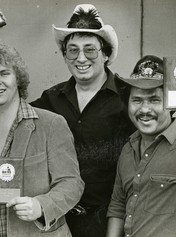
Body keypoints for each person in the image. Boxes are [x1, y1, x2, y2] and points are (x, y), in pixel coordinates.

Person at [30, 4, 135, 237]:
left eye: (90, 50)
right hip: (61, 221)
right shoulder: (51, 99)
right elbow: (13, 112)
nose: (81, 58)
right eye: (72, 50)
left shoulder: (129, 98)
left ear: (106, 54)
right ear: (65, 55)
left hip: (111, 222)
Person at [0, 42, 84, 237]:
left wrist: (41, 206)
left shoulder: (51, 125)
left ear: (18, 78)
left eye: (4, 73)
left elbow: (72, 183)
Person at [106, 55, 176, 237]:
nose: (145, 109)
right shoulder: (128, 149)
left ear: (172, 105)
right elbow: (118, 206)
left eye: (155, 100)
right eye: (137, 100)